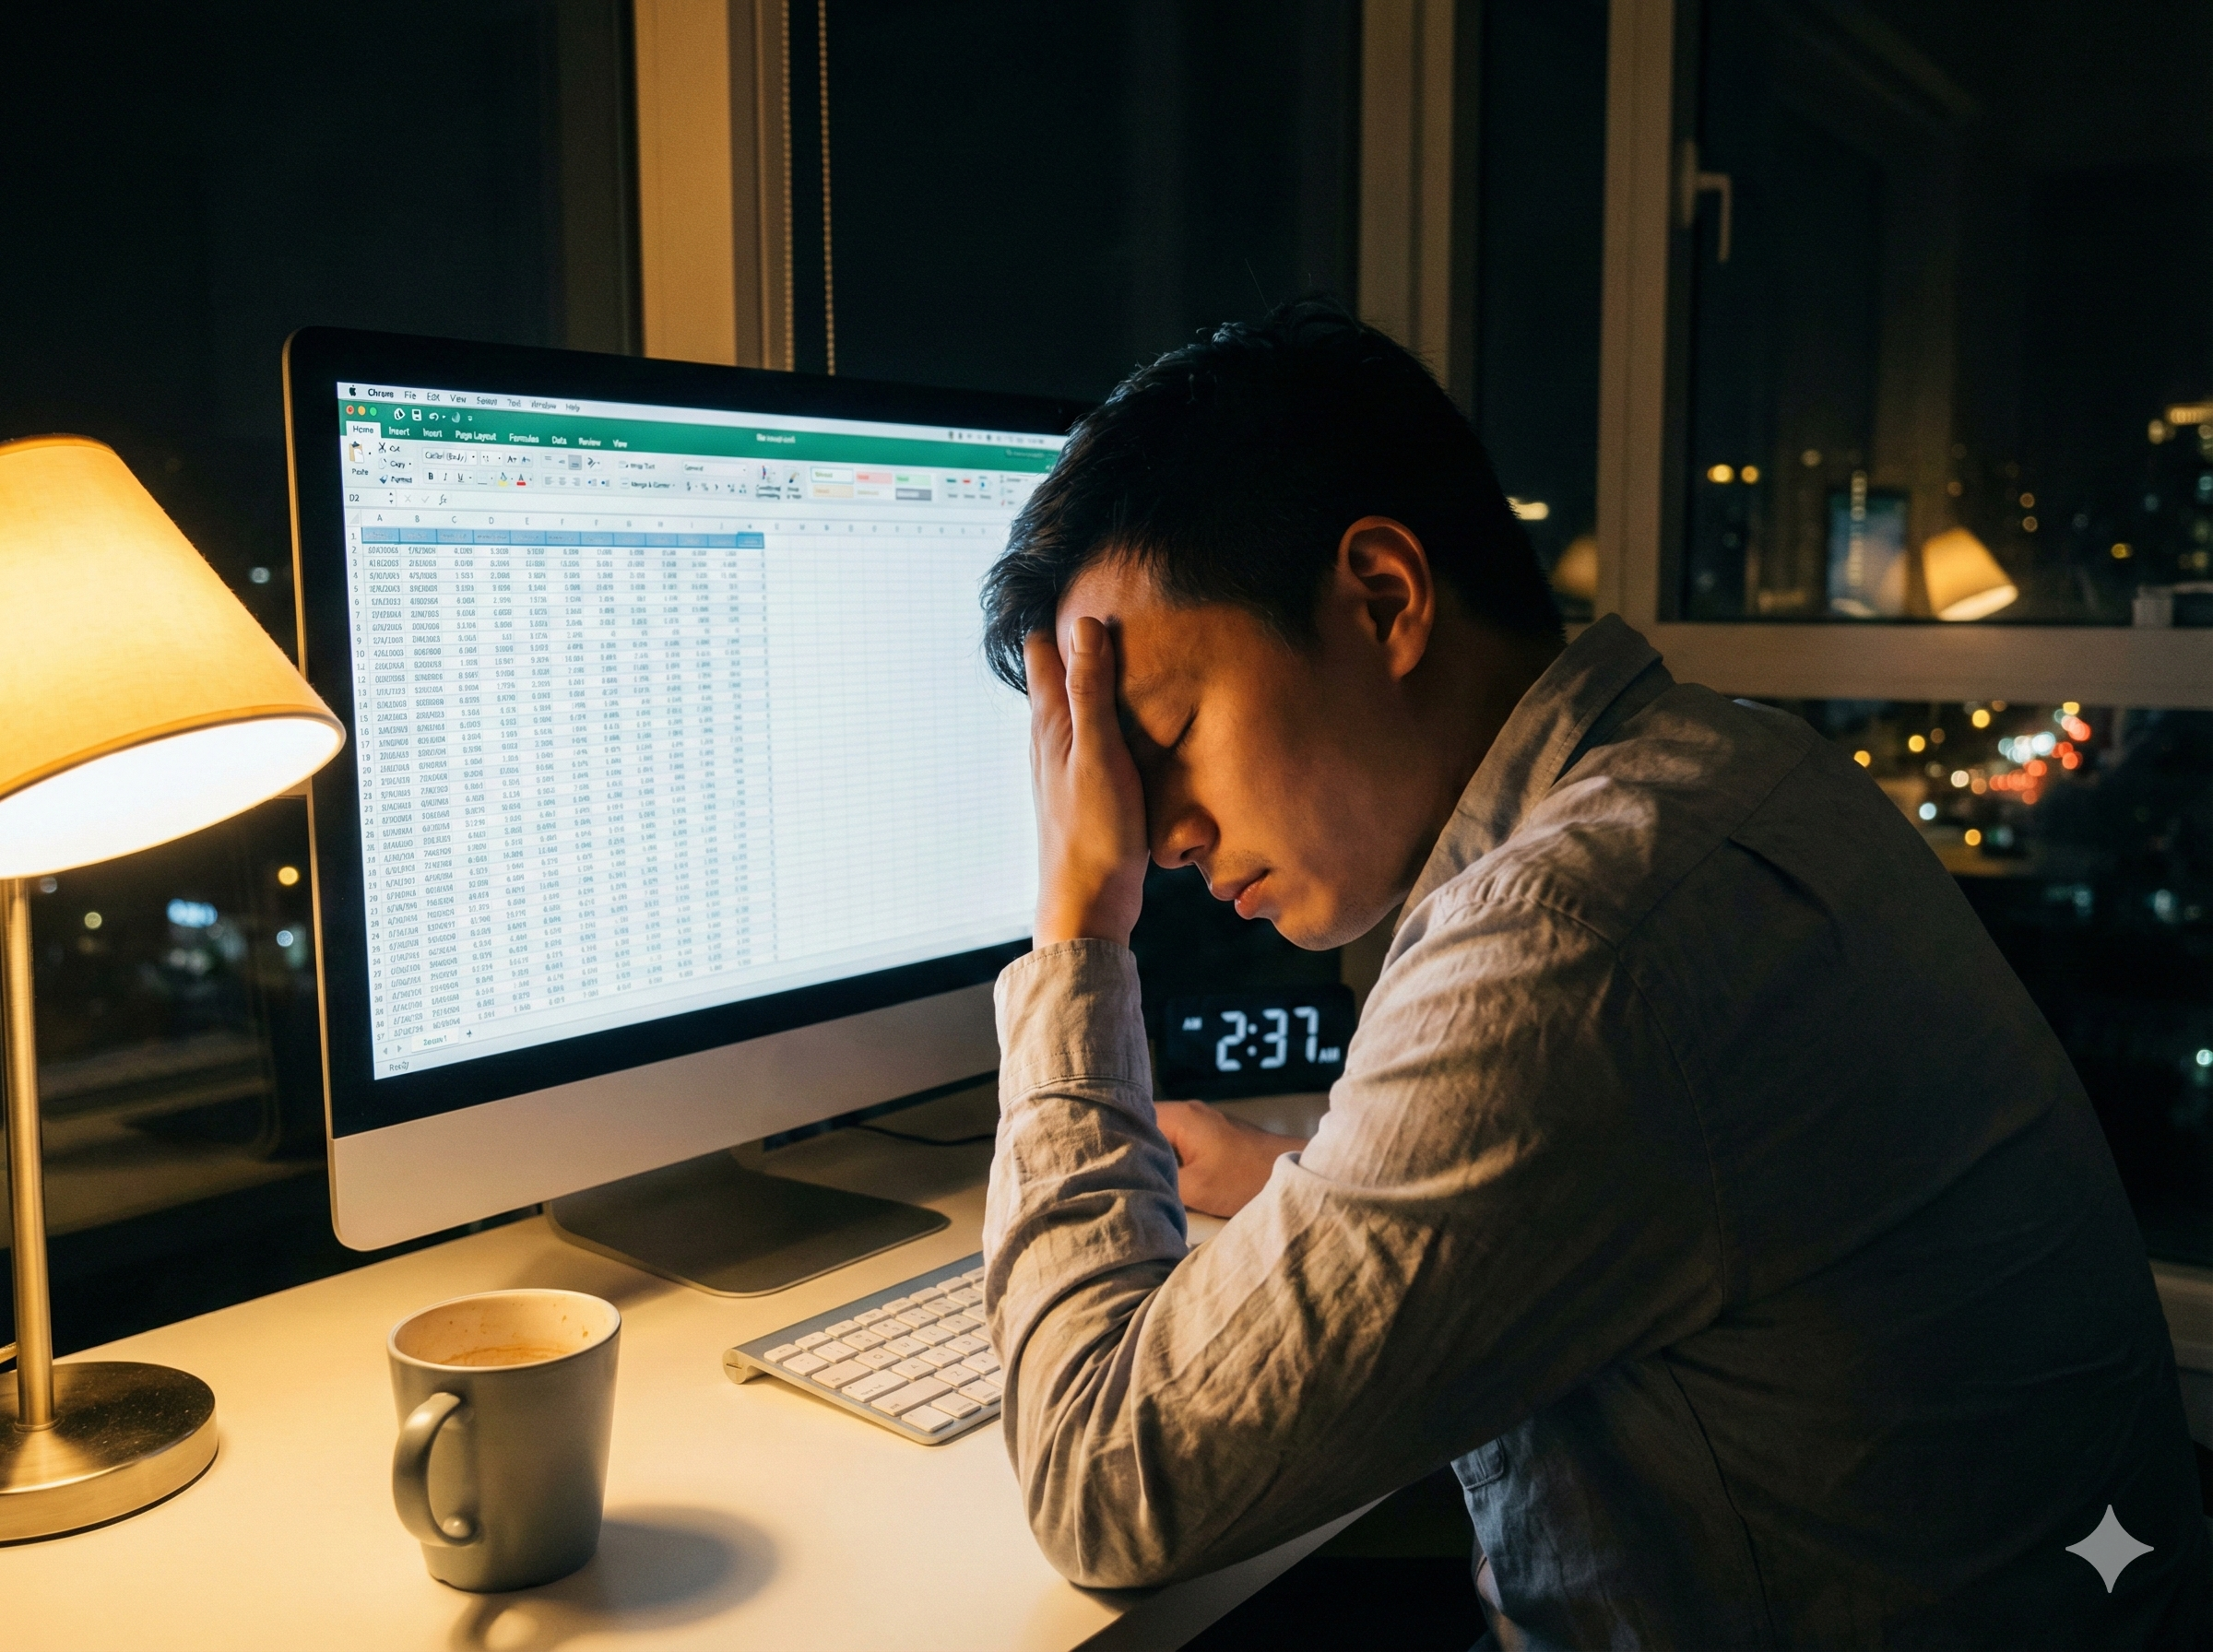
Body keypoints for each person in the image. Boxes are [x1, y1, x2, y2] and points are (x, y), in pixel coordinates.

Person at [974, 298, 2210, 1648]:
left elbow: (1102, 1477)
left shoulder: (1567, 935)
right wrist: (1302, 1181)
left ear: (1383, 600)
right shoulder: (1728, 767)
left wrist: (1077, 925)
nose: (1152, 833)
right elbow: (1621, 1178)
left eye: (1162, 739)